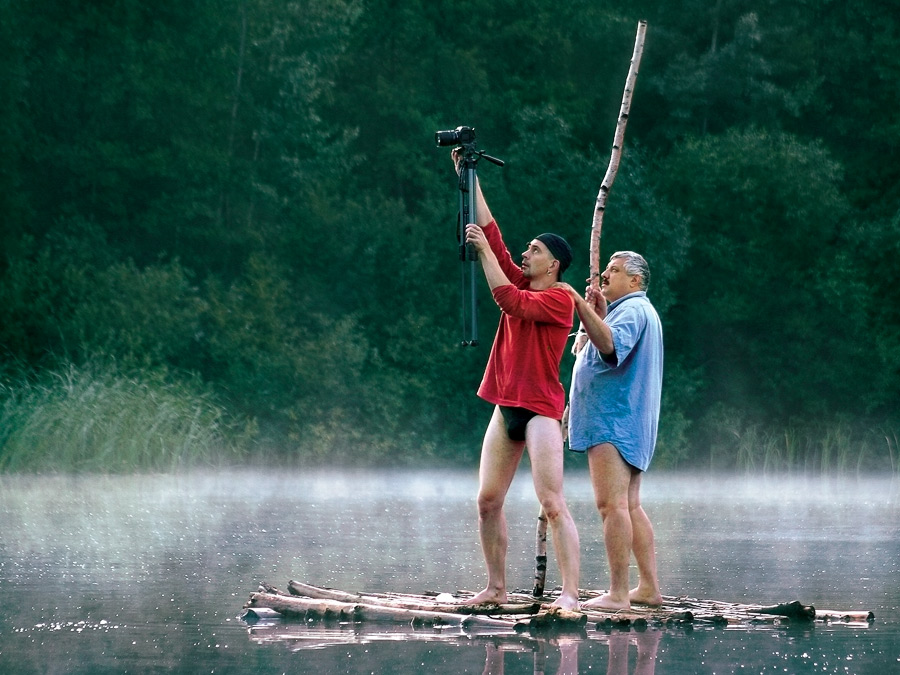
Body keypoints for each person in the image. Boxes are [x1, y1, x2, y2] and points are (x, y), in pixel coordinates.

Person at [453, 150, 580, 610]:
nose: (525, 254)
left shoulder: (560, 301)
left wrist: (486, 254)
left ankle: (568, 595)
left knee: (551, 501)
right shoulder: (523, 280)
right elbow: (490, 229)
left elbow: (506, 300)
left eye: (535, 251)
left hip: (541, 410)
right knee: (487, 501)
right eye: (525, 249)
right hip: (506, 404)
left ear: (554, 265)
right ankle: (496, 587)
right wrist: (469, 176)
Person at [557, 251, 664, 611]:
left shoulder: (633, 310)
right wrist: (598, 313)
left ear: (635, 281)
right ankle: (648, 588)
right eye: (605, 269)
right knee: (630, 506)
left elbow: (609, 346)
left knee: (612, 505)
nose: (604, 275)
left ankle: (618, 593)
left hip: (614, 421)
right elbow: (599, 345)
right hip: (623, 420)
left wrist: (579, 304)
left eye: (614, 271)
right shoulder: (628, 311)